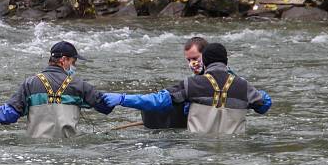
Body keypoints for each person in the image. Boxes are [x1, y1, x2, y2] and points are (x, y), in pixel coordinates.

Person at [103, 43, 272, 135]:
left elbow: (157, 102)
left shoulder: (192, 84)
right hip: (236, 152)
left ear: (204, 61)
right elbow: (264, 105)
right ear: (226, 61)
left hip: (197, 151)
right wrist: (258, 93)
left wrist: (123, 99)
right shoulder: (245, 87)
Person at [0, 41, 113, 138]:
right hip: (70, 150)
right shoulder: (79, 85)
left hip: (35, 151)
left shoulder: (30, 83)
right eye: (73, 62)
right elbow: (104, 106)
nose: (74, 66)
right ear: (64, 60)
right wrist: (124, 99)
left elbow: (9, 116)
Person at [141, 36, 208, 129]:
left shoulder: (225, 78)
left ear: (207, 55)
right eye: (189, 60)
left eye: (195, 58)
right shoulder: (191, 82)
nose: (191, 64)